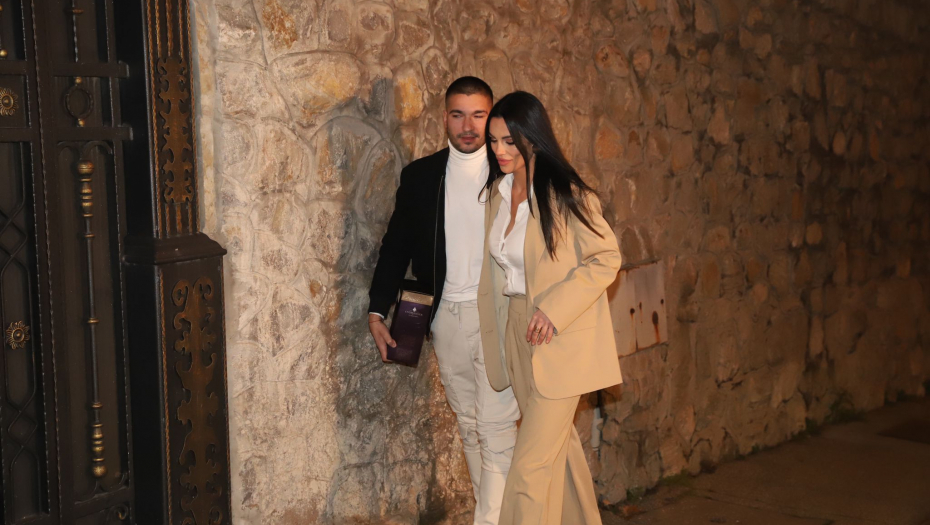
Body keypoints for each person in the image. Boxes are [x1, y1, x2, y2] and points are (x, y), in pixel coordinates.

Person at [368, 77, 520, 525]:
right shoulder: (421, 177)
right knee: (470, 426)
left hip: (498, 315)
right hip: (446, 318)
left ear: (491, 118)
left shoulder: (510, 172)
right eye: (458, 115)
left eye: (478, 115)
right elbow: (395, 247)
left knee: (495, 428)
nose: (468, 126)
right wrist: (377, 310)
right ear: (445, 118)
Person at [477, 91, 623, 525]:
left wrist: (554, 310)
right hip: (517, 331)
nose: (499, 151)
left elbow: (606, 258)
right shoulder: (499, 193)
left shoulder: (566, 194)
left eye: (509, 141)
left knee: (529, 469)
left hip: (558, 337)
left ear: (533, 139)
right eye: (493, 141)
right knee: (559, 452)